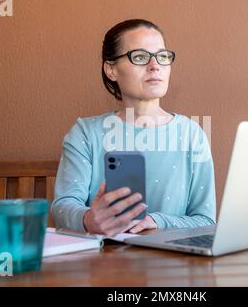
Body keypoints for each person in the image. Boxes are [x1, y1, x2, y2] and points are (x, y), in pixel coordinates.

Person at [52, 19, 216, 237]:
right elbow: (63, 206)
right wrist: (88, 219)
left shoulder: (192, 134)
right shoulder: (85, 132)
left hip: (172, 264)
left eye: (162, 56)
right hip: (104, 264)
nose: (155, 65)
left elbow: (205, 220)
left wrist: (157, 221)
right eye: (140, 57)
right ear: (111, 69)